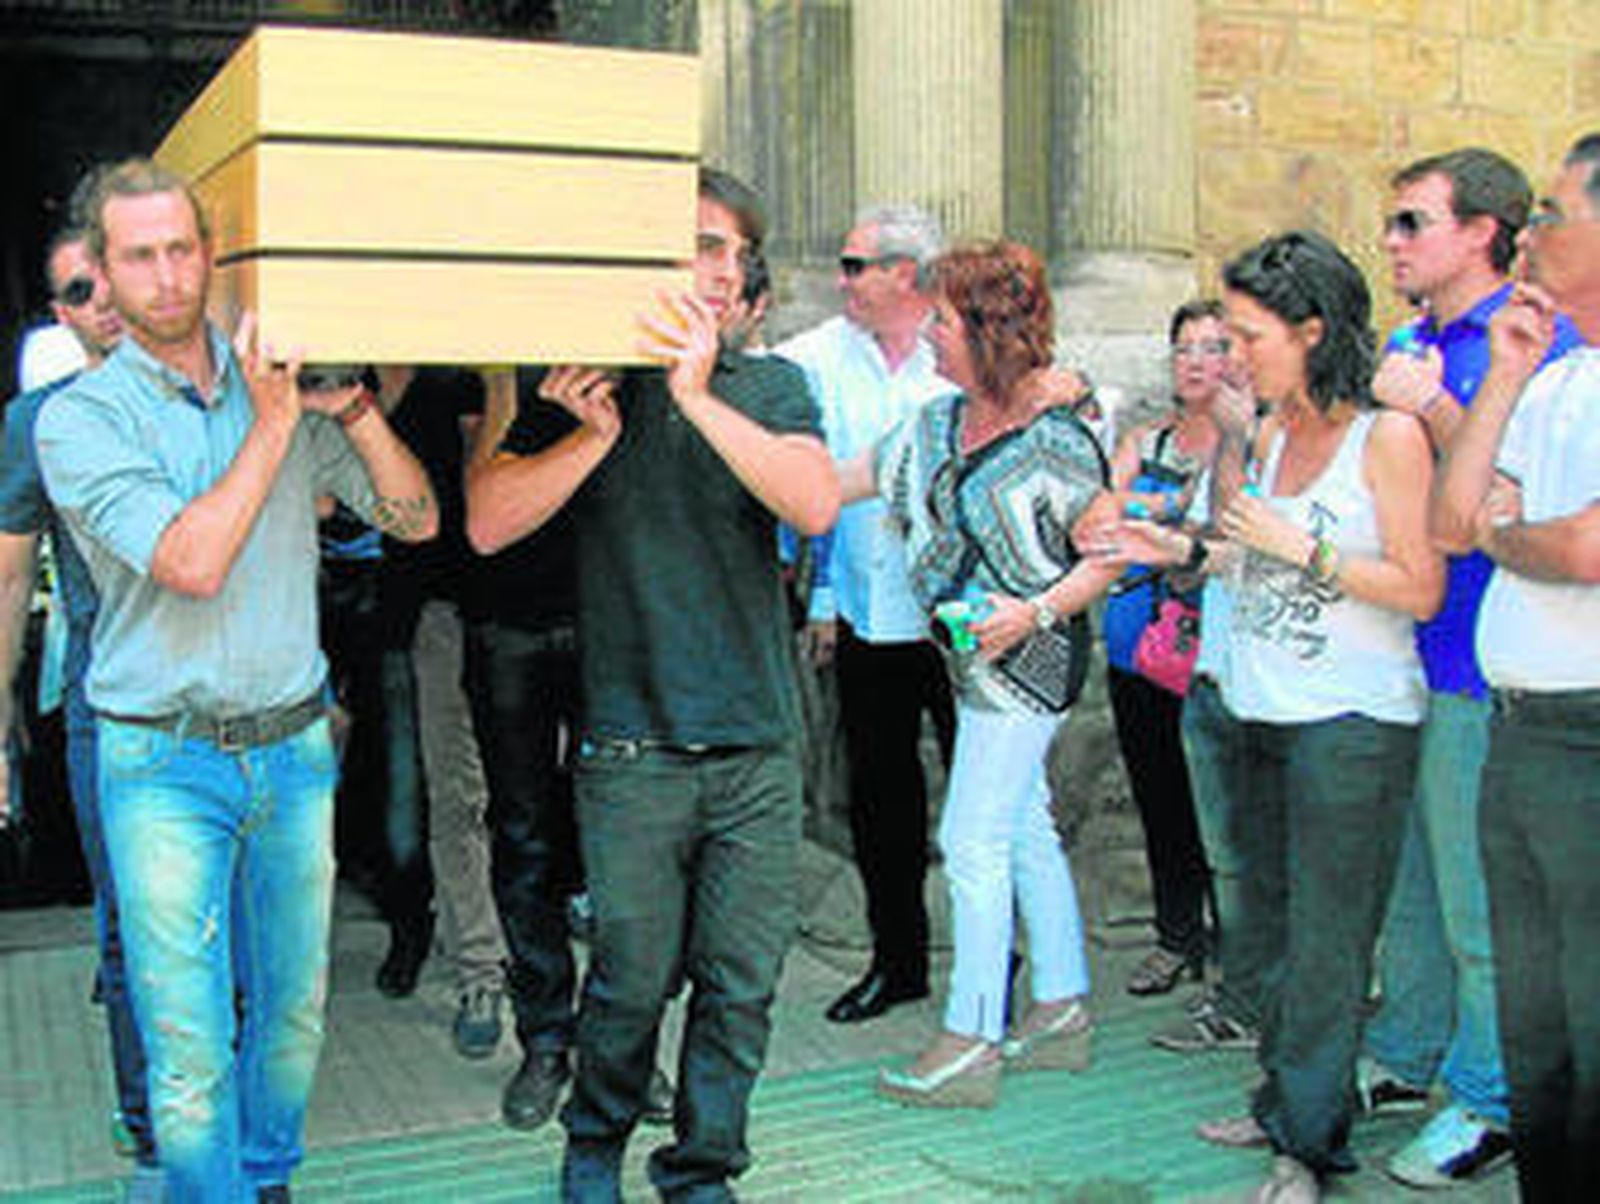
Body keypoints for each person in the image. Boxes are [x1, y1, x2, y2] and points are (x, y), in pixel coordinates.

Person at [34, 157, 436, 1202]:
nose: (166, 275)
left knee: (295, 1022)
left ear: (213, 256)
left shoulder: (288, 386)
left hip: (294, 752)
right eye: (139, 256)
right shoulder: (78, 420)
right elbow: (190, 561)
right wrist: (270, 424)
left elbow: (416, 518)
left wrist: (346, 411)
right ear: (105, 275)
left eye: (181, 248)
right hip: (161, 760)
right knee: (189, 1044)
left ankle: (262, 1184)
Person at [466, 167, 838, 1202]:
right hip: (632, 751)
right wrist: (594, 435)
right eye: (698, 246)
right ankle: (593, 1151)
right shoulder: (583, 383)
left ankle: (701, 1168)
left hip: (757, 745)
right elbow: (490, 519)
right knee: (628, 983)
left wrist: (692, 393)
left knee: (740, 986)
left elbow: (811, 504)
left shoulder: (767, 388)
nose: (719, 271)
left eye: (733, 255)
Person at [1091, 230, 1443, 1201]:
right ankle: (1282, 1097)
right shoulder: (1276, 431)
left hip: (1350, 725)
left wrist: (1302, 548)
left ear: (1312, 330)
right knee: (1270, 934)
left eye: (1249, 335)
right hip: (1259, 710)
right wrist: (1168, 546)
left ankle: (1309, 1149)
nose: (1232, 355)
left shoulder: (1389, 437)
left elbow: (1418, 586)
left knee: (1327, 946)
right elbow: (1243, 554)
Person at [838, 240, 1119, 1109]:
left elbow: (1107, 554)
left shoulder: (1060, 438)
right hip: (966, 656)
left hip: (1026, 661)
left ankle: (971, 1040)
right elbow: (838, 483)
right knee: (1023, 824)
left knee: (972, 840)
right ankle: (1063, 1008)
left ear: (990, 330)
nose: (930, 334)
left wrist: (1029, 614)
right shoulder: (934, 423)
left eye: (947, 320)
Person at [1361, 147, 1581, 1189]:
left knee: (1480, 908)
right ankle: (1411, 1054)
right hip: (1404, 650)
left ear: (1480, 232)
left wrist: (1435, 409)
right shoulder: (1419, 337)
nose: (1392, 243)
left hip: (1493, 673)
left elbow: (1504, 513)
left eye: (1412, 222)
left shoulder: (1551, 342)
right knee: (1409, 886)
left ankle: (1489, 1101)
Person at [1430, 132, 1600, 1203]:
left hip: (1590, 740)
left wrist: (1510, 532)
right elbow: (1453, 519)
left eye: (1551, 211)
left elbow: (1588, 547)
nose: (1530, 233)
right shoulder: (1557, 375)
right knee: (1538, 1023)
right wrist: (1499, 373)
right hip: (1521, 733)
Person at [0, 220, 159, 1196]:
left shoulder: (210, 390)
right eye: (79, 290)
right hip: (107, 706)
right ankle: (151, 1127)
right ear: (62, 312)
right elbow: (11, 571)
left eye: (113, 276)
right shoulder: (38, 421)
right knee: (128, 926)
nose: (104, 300)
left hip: (225, 703)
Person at [774, 204, 957, 1025]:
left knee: (996, 794)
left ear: (904, 276)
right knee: (883, 799)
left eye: (856, 266)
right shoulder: (815, 358)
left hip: (961, 616)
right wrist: (818, 598)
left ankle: (1003, 947)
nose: (842, 281)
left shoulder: (959, 354)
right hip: (864, 611)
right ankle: (899, 959)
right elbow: (797, 480)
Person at [1100, 299, 1224, 997]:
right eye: (1185, 348)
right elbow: (1105, 509)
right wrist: (1176, 513)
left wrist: (1155, 512)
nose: (1197, 361)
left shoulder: (1250, 441)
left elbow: (1226, 524)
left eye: (1212, 347)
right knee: (1160, 795)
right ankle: (1177, 934)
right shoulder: (1147, 440)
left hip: (1211, 651)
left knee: (1223, 802)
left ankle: (1235, 939)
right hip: (1137, 646)